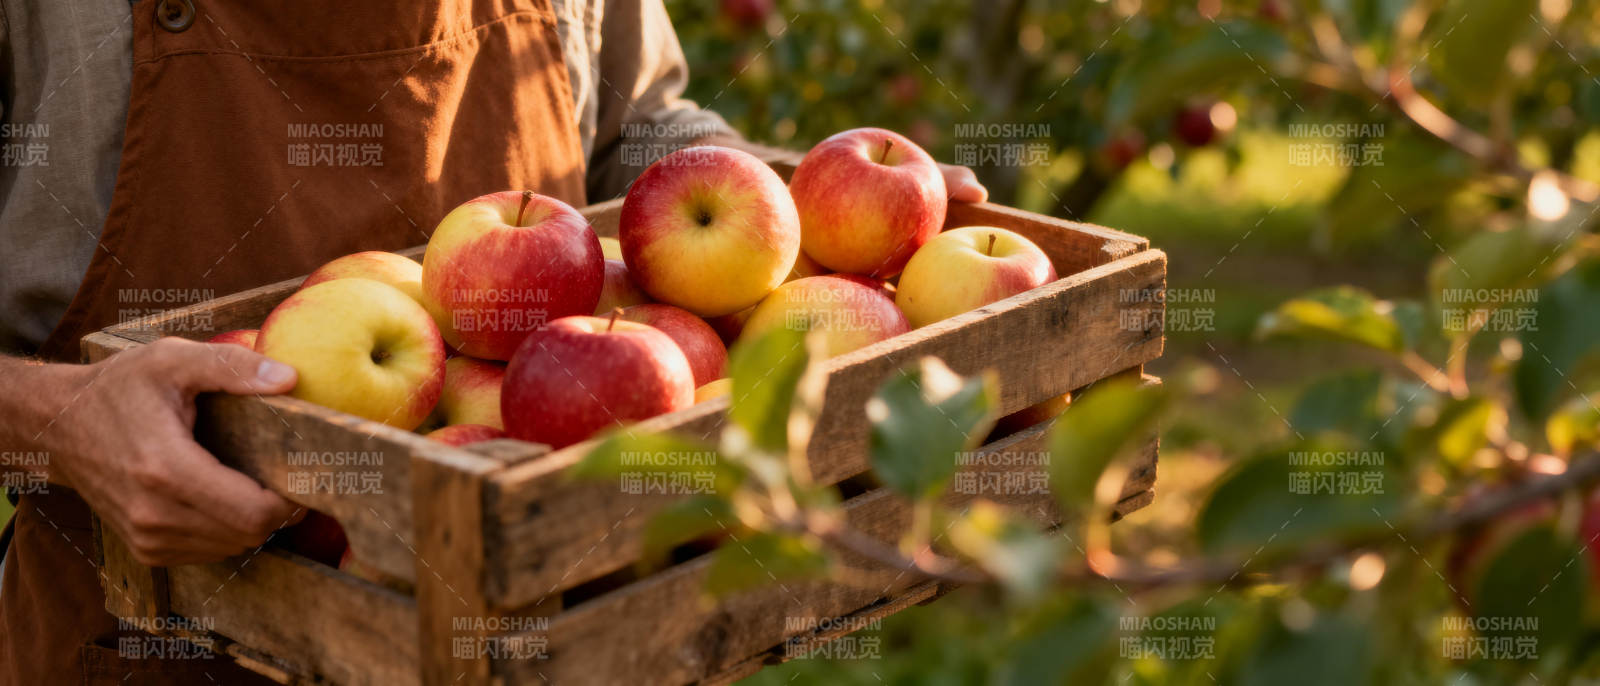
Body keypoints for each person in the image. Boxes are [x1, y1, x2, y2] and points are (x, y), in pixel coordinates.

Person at [0, 0, 986, 683]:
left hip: (555, 625)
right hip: (149, 645)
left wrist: (810, 218)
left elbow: (638, 126)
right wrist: (62, 421)